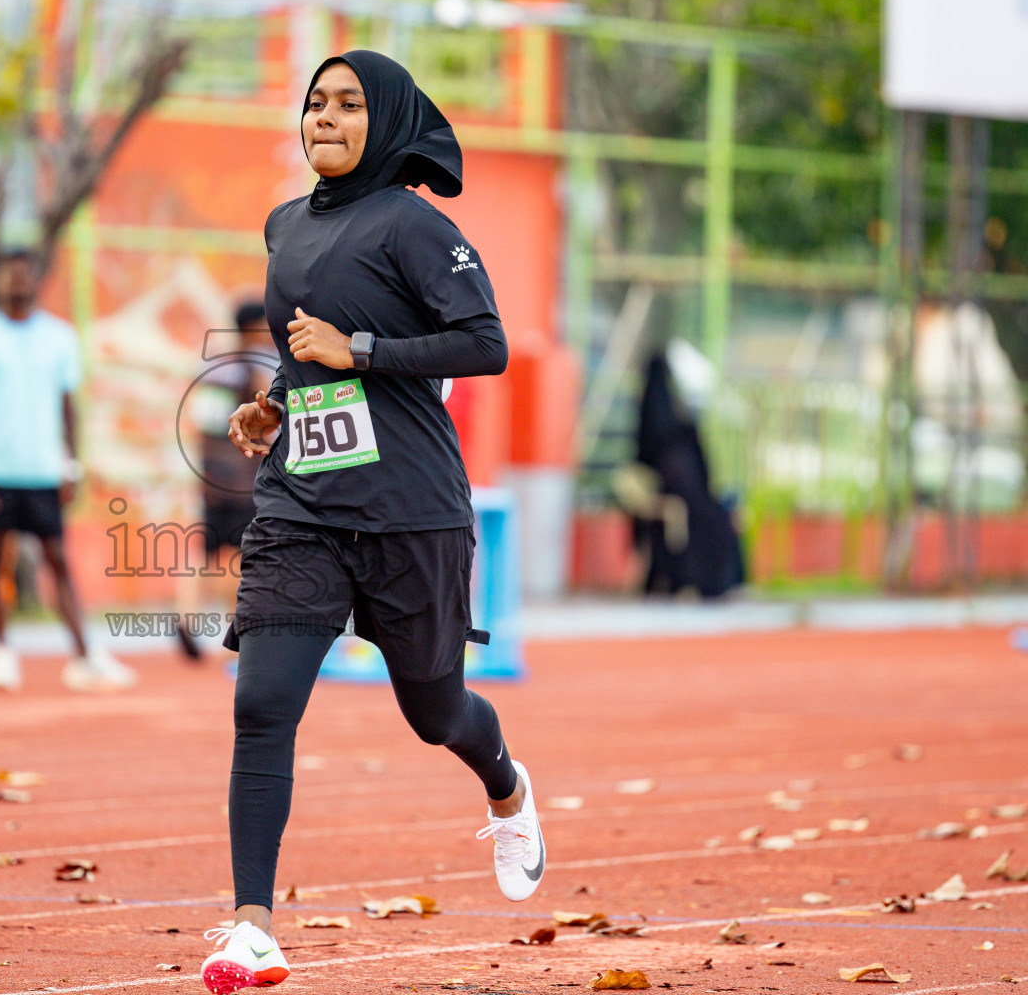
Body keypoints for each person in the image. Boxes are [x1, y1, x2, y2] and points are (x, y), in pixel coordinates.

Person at [201, 51, 545, 994]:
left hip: (409, 513)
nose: (327, 116)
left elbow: (487, 345)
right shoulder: (283, 225)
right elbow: (307, 356)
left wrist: (360, 350)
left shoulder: (412, 223)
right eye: (316, 102)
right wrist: (277, 403)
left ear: (385, 120)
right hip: (302, 502)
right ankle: (251, 929)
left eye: (350, 104)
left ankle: (507, 787)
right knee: (262, 705)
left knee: (434, 713)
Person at [0, 249, 136, 693]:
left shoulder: (59, 337)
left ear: (37, 279)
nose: (18, 283)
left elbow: (67, 407)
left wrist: (70, 465)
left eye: (25, 274)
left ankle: (83, 656)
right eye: (9, 276)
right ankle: (1, 655)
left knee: (58, 561)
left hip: (43, 472)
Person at [174, 301, 277, 661]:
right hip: (243, 478)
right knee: (241, 555)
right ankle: (239, 635)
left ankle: (186, 618)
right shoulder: (255, 368)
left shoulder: (216, 368)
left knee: (206, 550)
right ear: (253, 327)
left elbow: (204, 425)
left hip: (213, 476)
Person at [627, 352, 744, 598]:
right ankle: (704, 580)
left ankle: (712, 581)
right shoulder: (672, 432)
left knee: (718, 517)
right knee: (708, 519)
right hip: (676, 500)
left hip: (693, 499)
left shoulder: (673, 430)